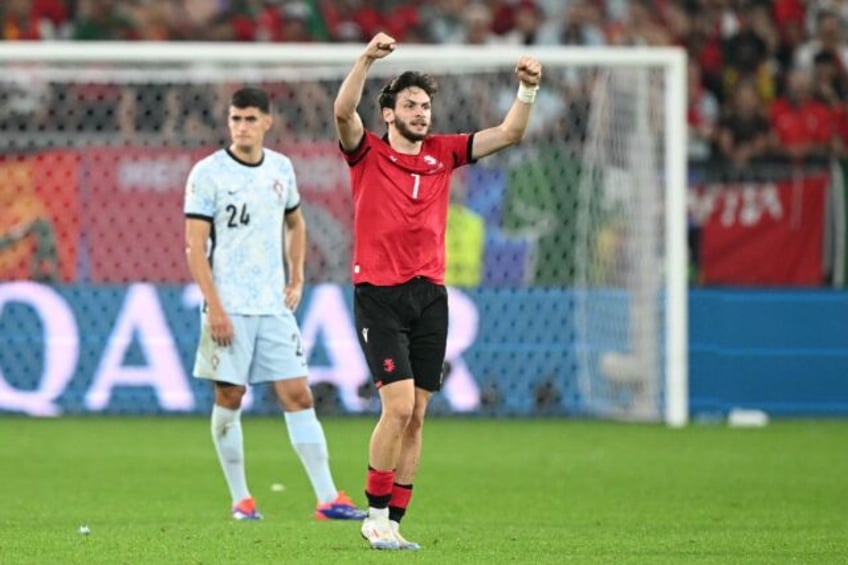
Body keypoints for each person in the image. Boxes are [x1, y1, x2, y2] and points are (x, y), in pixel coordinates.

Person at [333, 32, 542, 550]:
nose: (422, 113)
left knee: (419, 414)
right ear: (388, 112)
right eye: (410, 105)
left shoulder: (443, 154)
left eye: (426, 105)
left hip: (431, 296)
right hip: (378, 294)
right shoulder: (367, 153)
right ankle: (373, 515)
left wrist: (529, 89)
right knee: (398, 407)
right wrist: (365, 59)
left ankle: (395, 525)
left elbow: (510, 133)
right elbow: (341, 112)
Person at [184, 86, 365, 523]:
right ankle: (241, 500)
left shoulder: (281, 169)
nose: (242, 127)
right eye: (235, 119)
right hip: (228, 305)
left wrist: (297, 274)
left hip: (272, 305)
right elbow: (195, 246)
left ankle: (328, 499)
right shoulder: (207, 174)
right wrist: (215, 307)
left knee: (298, 394)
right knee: (230, 394)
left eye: (250, 119)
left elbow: (296, 223)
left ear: (268, 121)